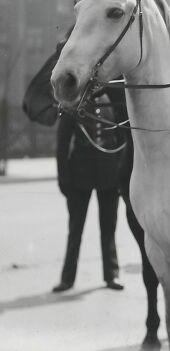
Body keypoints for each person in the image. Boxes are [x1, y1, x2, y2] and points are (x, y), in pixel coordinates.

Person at [53, 86, 126, 292]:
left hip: (109, 174)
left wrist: (120, 174)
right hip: (79, 175)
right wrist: (63, 178)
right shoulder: (73, 102)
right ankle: (67, 278)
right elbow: (62, 142)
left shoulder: (111, 100)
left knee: (109, 227)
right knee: (75, 229)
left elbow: (121, 139)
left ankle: (112, 275)